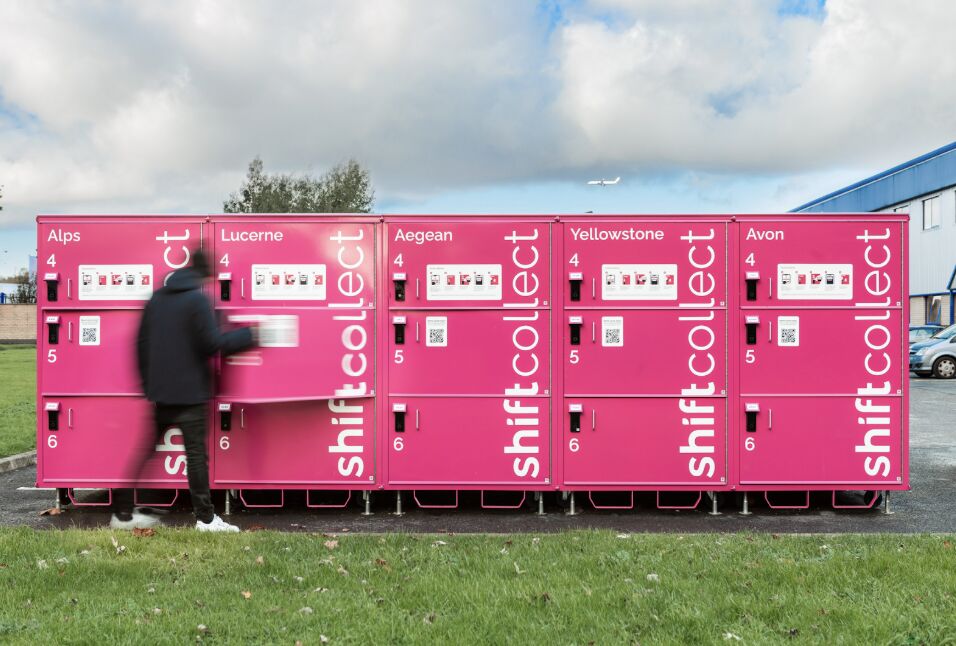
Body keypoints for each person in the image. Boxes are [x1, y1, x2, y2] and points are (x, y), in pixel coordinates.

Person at [110, 249, 256, 532]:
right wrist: (251, 334)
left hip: (162, 394)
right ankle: (205, 519)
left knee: (146, 450)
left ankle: (122, 513)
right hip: (191, 394)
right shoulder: (198, 299)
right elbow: (213, 344)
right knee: (196, 456)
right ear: (206, 273)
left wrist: (149, 386)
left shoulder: (156, 299)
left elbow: (141, 345)